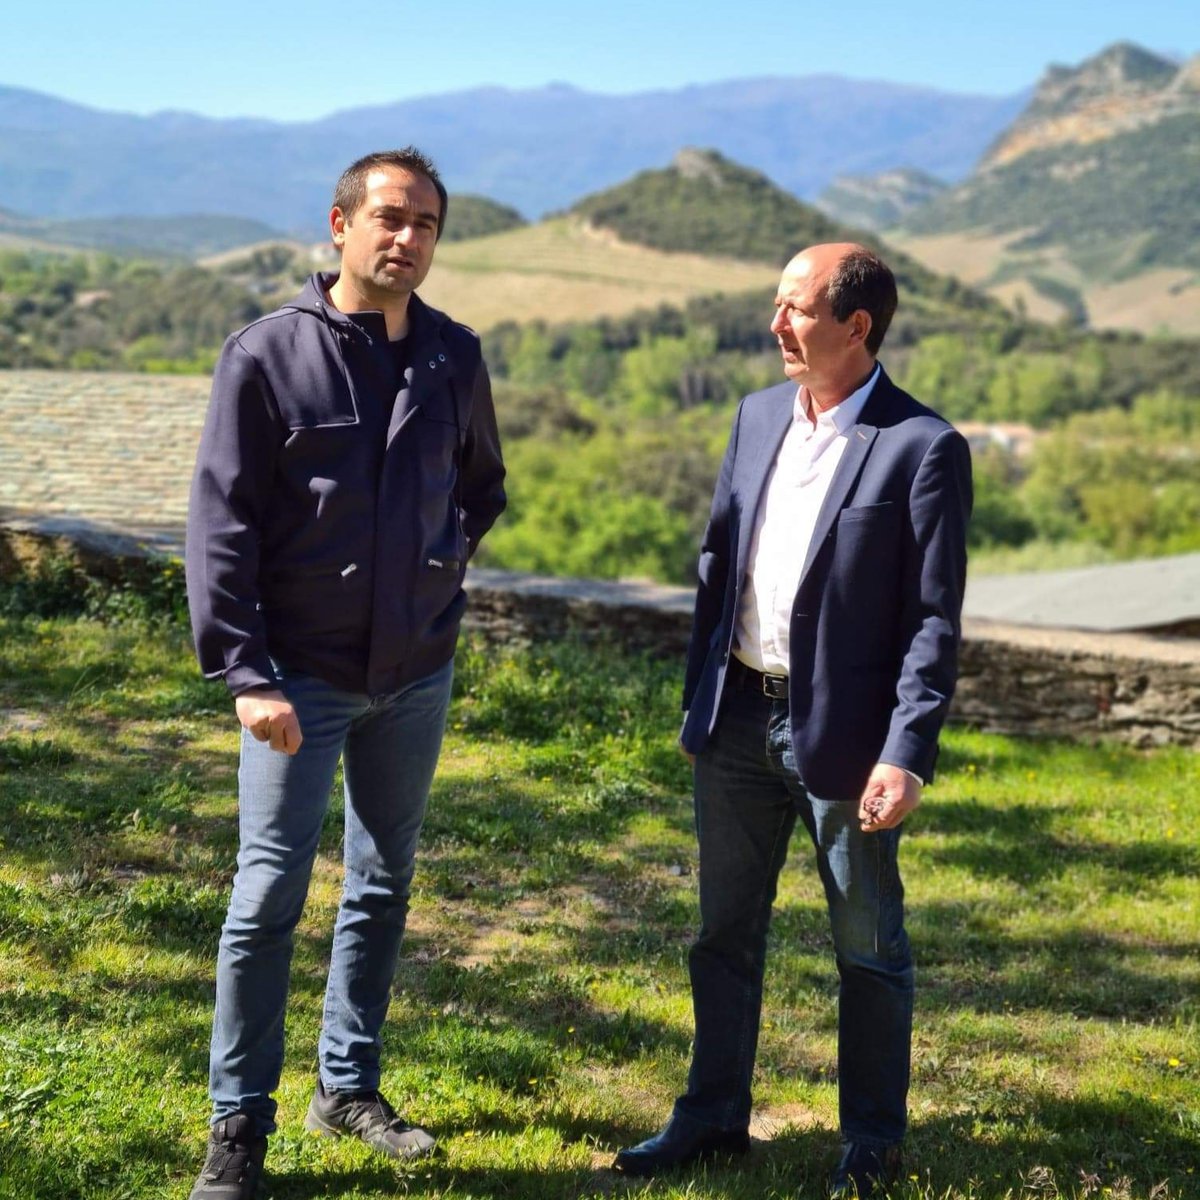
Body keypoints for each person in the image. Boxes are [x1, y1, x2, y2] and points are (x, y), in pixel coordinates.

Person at [614, 243, 971, 1196]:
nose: (776, 325)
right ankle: (713, 1116)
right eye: (775, 304)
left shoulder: (922, 447)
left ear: (856, 327)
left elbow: (934, 619)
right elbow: (716, 562)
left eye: (797, 309)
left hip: (847, 745)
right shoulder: (756, 415)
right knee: (722, 934)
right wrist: (700, 692)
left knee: (866, 945)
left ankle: (871, 1142)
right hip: (735, 720)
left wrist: (907, 751)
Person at [184, 147, 506, 1200]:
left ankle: (347, 1085)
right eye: (387, 217)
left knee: (381, 883)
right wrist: (245, 672)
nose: (404, 237)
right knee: (268, 893)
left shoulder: (455, 357)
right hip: (297, 677)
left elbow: (481, 487)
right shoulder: (268, 356)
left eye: (423, 223)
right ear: (340, 225)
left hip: (416, 672)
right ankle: (239, 1127)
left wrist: (437, 574)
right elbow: (221, 527)